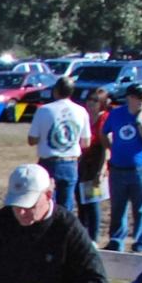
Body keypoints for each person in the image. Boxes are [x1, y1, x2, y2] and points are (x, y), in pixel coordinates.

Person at [102, 84, 142, 253]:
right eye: (140, 97)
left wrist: (139, 122)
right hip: (118, 168)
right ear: (130, 98)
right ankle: (116, 241)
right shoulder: (116, 114)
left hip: (140, 170)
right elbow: (104, 133)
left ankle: (140, 243)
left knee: (141, 209)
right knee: (118, 208)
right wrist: (111, 148)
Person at [27, 76, 90, 216]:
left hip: (48, 161)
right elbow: (86, 142)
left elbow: (32, 139)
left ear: (55, 91)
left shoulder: (44, 110)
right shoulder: (81, 111)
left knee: (47, 204)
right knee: (66, 206)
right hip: (70, 162)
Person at [75, 89, 112, 242]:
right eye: (89, 99)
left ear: (102, 103)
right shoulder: (83, 117)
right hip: (81, 164)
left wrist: (102, 170)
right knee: (81, 202)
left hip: (96, 164)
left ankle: (93, 238)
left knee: (92, 203)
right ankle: (82, 236)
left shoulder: (105, 119)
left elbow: (107, 148)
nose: (91, 103)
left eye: (95, 100)